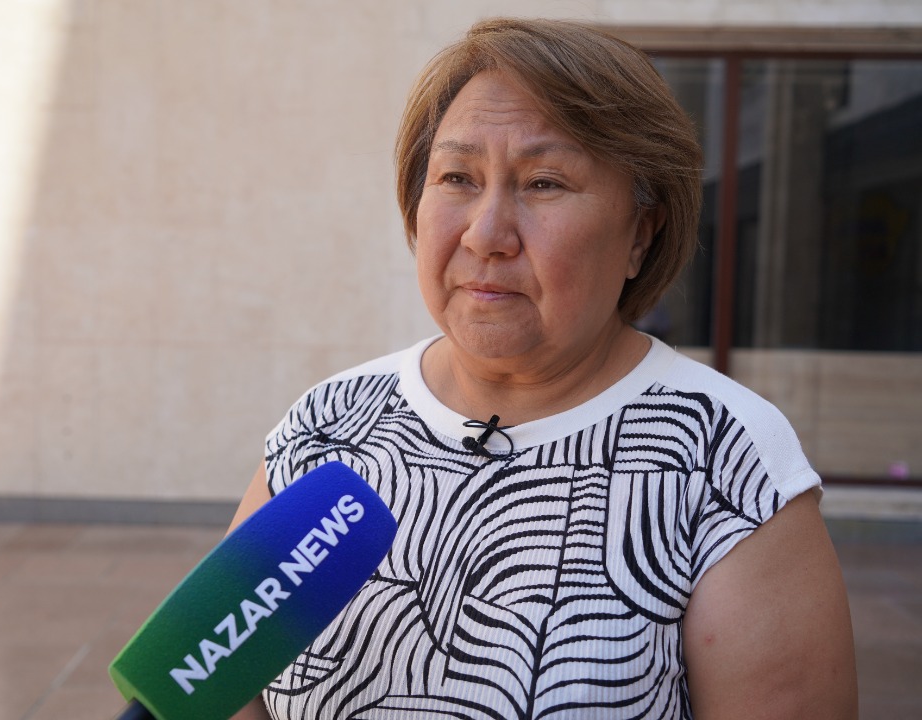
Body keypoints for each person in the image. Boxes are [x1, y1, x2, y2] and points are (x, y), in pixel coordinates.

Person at [228, 18, 857, 719]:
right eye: (457, 177)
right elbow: (217, 688)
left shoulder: (725, 459)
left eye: (544, 183)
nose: (486, 234)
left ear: (640, 233)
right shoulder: (328, 424)